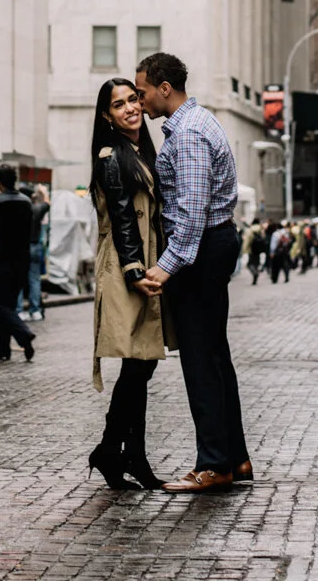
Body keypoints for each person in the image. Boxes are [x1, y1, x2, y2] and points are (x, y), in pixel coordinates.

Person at [136, 52, 251, 496]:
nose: (141, 101)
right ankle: (235, 457)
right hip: (212, 246)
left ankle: (214, 465)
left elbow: (191, 211)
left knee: (202, 360)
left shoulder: (186, 135)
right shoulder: (197, 122)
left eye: (143, 91)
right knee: (216, 357)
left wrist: (165, 268)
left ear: (165, 88)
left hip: (202, 251)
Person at [89, 77, 174, 491]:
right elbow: (123, 219)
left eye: (133, 100)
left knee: (142, 362)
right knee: (138, 362)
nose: (130, 108)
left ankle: (116, 451)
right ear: (107, 115)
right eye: (119, 104)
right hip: (127, 267)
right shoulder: (111, 156)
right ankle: (122, 453)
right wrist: (136, 272)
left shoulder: (142, 151)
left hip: (145, 261)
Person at [0, 166, 36, 363]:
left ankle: (24, 334)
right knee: (9, 304)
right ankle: (1, 349)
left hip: (3, 257)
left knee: (1, 304)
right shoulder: (26, 202)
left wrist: (2, 233)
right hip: (22, 258)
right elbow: (29, 230)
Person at [17, 183, 50, 322]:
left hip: (19, 246)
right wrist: (43, 192)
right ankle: (35, 310)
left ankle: (18, 310)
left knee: (18, 280)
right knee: (34, 279)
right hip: (34, 245)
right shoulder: (36, 209)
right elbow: (47, 203)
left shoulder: (17, 211)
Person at [242, 219, 266, 285]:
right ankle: (255, 279)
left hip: (251, 249)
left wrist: (244, 249)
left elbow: (247, 241)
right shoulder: (261, 229)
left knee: (249, 264)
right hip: (259, 250)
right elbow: (264, 238)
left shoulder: (250, 230)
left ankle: (255, 274)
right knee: (256, 264)